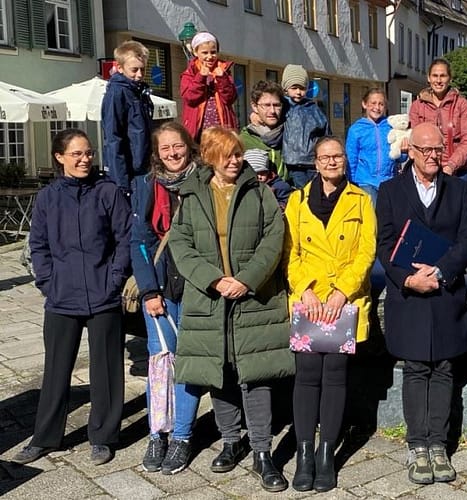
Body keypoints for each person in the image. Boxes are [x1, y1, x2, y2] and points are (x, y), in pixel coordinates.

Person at [169, 126, 293, 492]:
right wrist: (213, 279)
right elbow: (180, 243)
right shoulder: (191, 195)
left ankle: (262, 452)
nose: (236, 160)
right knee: (218, 373)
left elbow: (275, 237)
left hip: (253, 298)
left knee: (255, 375)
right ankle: (230, 440)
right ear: (210, 156)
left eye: (238, 154)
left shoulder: (259, 191)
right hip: (209, 300)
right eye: (229, 155)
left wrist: (248, 278)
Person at [13, 129, 131, 466]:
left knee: (106, 371)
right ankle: (45, 438)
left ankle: (104, 437)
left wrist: (113, 279)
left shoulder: (107, 191)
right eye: (77, 154)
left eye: (89, 153)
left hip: (103, 295)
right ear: (60, 157)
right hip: (62, 297)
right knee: (55, 370)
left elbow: (125, 238)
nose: (84, 159)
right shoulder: (48, 197)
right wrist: (48, 282)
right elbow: (38, 244)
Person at [376, 122, 467, 485]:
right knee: (417, 368)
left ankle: (439, 444)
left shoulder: (459, 190)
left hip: (445, 291)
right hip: (410, 295)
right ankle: (417, 445)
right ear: (411, 152)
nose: (435, 156)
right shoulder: (390, 191)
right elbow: (385, 244)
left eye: (440, 149)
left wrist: (442, 271)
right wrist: (407, 279)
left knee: (445, 369)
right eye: (427, 150)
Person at [285, 137, 377, 492]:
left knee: (336, 375)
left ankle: (327, 453)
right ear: (315, 162)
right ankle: (304, 453)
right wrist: (305, 289)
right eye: (325, 157)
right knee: (307, 376)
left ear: (344, 160)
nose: (331, 162)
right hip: (308, 300)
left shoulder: (361, 200)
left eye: (337, 156)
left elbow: (367, 250)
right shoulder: (298, 200)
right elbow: (288, 252)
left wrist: (343, 291)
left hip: (344, 299)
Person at [130, 122, 202, 475]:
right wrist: (148, 290)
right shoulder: (146, 186)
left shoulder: (203, 181)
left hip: (196, 288)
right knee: (160, 365)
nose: (173, 154)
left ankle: (183, 436)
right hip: (159, 287)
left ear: (188, 146)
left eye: (178, 146)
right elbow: (139, 240)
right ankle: (157, 432)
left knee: (187, 363)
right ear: (156, 154)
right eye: (165, 149)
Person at [409, 58, 467, 186]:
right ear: (428, 78)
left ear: (449, 78)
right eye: (435, 76)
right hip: (426, 169)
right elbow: (415, 139)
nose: (438, 80)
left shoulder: (462, 105)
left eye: (443, 76)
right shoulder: (417, 106)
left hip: (458, 171)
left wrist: (451, 166)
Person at [102, 40, 154, 197]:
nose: (139, 75)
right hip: (129, 173)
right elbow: (113, 138)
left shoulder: (139, 92)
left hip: (142, 169)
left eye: (142, 70)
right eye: (134, 70)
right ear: (120, 68)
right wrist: (122, 183)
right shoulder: (117, 93)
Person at [345, 88, 407, 204]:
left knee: (387, 216)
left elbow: (398, 157)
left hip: (388, 180)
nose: (377, 108)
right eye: (373, 103)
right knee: (372, 216)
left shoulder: (390, 127)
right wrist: (352, 181)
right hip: (365, 181)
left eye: (381, 104)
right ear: (364, 104)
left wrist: (403, 152)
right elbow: (351, 158)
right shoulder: (356, 129)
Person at [179, 32, 239, 141]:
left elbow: (230, 98)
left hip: (221, 129)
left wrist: (222, 78)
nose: (210, 57)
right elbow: (190, 98)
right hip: (199, 130)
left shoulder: (223, 70)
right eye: (205, 53)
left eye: (213, 52)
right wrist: (200, 77)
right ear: (195, 52)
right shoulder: (190, 73)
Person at [281, 64, 331, 189]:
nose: (298, 92)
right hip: (293, 162)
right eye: (294, 88)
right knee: (301, 191)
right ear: (286, 88)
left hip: (311, 161)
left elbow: (325, 131)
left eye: (302, 88)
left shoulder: (312, 108)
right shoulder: (283, 106)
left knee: (314, 190)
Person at [240, 80, 289, 180]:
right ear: (255, 106)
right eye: (266, 105)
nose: (272, 111)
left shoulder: (290, 133)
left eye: (276, 105)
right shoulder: (243, 141)